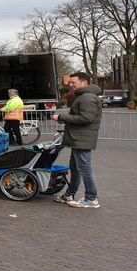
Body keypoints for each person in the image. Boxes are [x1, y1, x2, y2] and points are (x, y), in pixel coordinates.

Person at [51, 72, 103, 209]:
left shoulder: (87, 98)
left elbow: (86, 119)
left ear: (84, 82)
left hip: (81, 138)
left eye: (73, 82)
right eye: (70, 82)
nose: (70, 85)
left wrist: (61, 118)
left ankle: (91, 198)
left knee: (84, 168)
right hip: (78, 137)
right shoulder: (84, 96)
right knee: (75, 167)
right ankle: (69, 194)